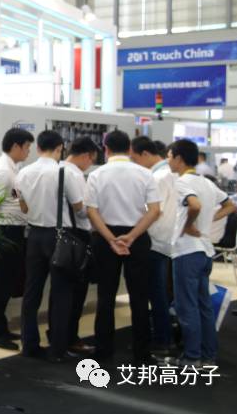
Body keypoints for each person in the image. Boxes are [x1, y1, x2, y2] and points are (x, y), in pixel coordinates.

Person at [84, 130, 161, 364]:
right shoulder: (145, 174)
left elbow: (91, 211)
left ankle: (103, 350)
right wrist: (132, 236)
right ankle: (141, 353)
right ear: (129, 149)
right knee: (139, 296)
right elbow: (155, 211)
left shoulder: (96, 175)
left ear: (105, 149)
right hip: (137, 237)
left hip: (105, 238)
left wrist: (111, 239)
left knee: (105, 295)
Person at [166, 140, 236, 366]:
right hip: (205, 251)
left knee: (187, 306)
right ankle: (208, 355)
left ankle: (192, 356)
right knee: (203, 305)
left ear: (178, 158)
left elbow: (194, 205)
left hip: (187, 251)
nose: (168, 160)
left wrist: (188, 225)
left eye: (169, 156)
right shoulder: (206, 182)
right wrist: (208, 221)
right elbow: (230, 205)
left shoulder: (182, 182)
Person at [15, 131, 80, 362]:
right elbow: (78, 205)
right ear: (60, 148)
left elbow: (23, 207)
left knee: (32, 292)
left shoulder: (23, 173)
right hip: (59, 236)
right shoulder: (64, 172)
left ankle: (29, 345)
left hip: (34, 235)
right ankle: (57, 349)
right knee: (61, 293)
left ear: (38, 147)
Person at [0, 127, 34, 351]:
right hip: (5, 230)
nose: (28, 151)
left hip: (14, 230)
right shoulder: (3, 171)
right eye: (27, 147)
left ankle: (1, 327)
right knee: (0, 282)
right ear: (15, 146)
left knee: (8, 282)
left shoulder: (13, 168)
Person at [129, 136, 178, 355]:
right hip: (166, 241)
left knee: (155, 294)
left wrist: (132, 233)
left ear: (146, 154)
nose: (135, 163)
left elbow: (153, 212)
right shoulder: (171, 174)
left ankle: (161, 340)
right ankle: (164, 338)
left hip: (154, 242)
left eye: (135, 159)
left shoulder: (157, 177)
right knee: (160, 293)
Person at [62, 137, 99, 357]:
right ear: (85, 155)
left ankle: (59, 335)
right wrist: (96, 209)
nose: (90, 164)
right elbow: (81, 210)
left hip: (59, 234)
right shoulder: (74, 174)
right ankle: (70, 338)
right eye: (91, 160)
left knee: (62, 291)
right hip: (77, 236)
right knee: (76, 291)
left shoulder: (56, 169)